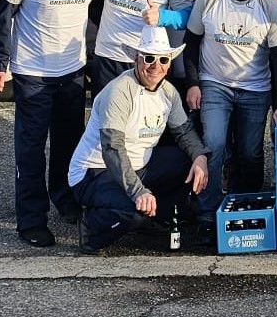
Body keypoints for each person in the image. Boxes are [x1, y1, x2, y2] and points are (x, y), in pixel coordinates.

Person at [0, 0, 102, 247]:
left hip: (72, 71)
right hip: (32, 72)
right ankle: (31, 220)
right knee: (31, 149)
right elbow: (1, 14)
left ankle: (64, 199)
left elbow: (93, 12)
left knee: (68, 143)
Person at [183, 0, 277, 245]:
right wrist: (192, 83)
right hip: (214, 84)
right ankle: (207, 216)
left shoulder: (269, 6)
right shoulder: (209, 0)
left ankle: (246, 208)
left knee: (251, 152)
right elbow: (191, 44)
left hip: (255, 88)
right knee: (213, 145)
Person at [68, 26, 209, 255]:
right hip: (95, 171)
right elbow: (112, 149)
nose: (156, 66)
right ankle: (91, 227)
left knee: (188, 162)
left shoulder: (168, 92)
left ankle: (155, 216)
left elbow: (184, 131)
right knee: (132, 212)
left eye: (163, 59)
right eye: (149, 58)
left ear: (169, 64)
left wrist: (200, 156)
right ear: (136, 59)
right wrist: (138, 191)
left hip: (139, 165)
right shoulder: (119, 91)